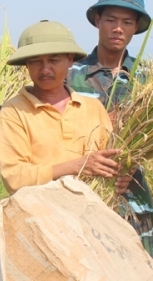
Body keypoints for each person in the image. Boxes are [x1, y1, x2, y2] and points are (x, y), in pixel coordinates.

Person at [0, 20, 133, 195]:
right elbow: (14, 178)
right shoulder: (14, 111)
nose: (45, 69)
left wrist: (120, 176)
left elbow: (108, 160)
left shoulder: (93, 108)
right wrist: (77, 166)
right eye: (36, 61)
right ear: (27, 65)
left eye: (54, 60)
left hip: (92, 213)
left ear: (70, 60)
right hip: (37, 214)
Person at [66, 0, 153, 256]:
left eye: (127, 23)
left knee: (140, 262)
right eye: (111, 20)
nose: (118, 29)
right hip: (79, 191)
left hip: (131, 193)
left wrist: (132, 162)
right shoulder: (69, 74)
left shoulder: (145, 81)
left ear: (136, 27)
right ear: (97, 21)